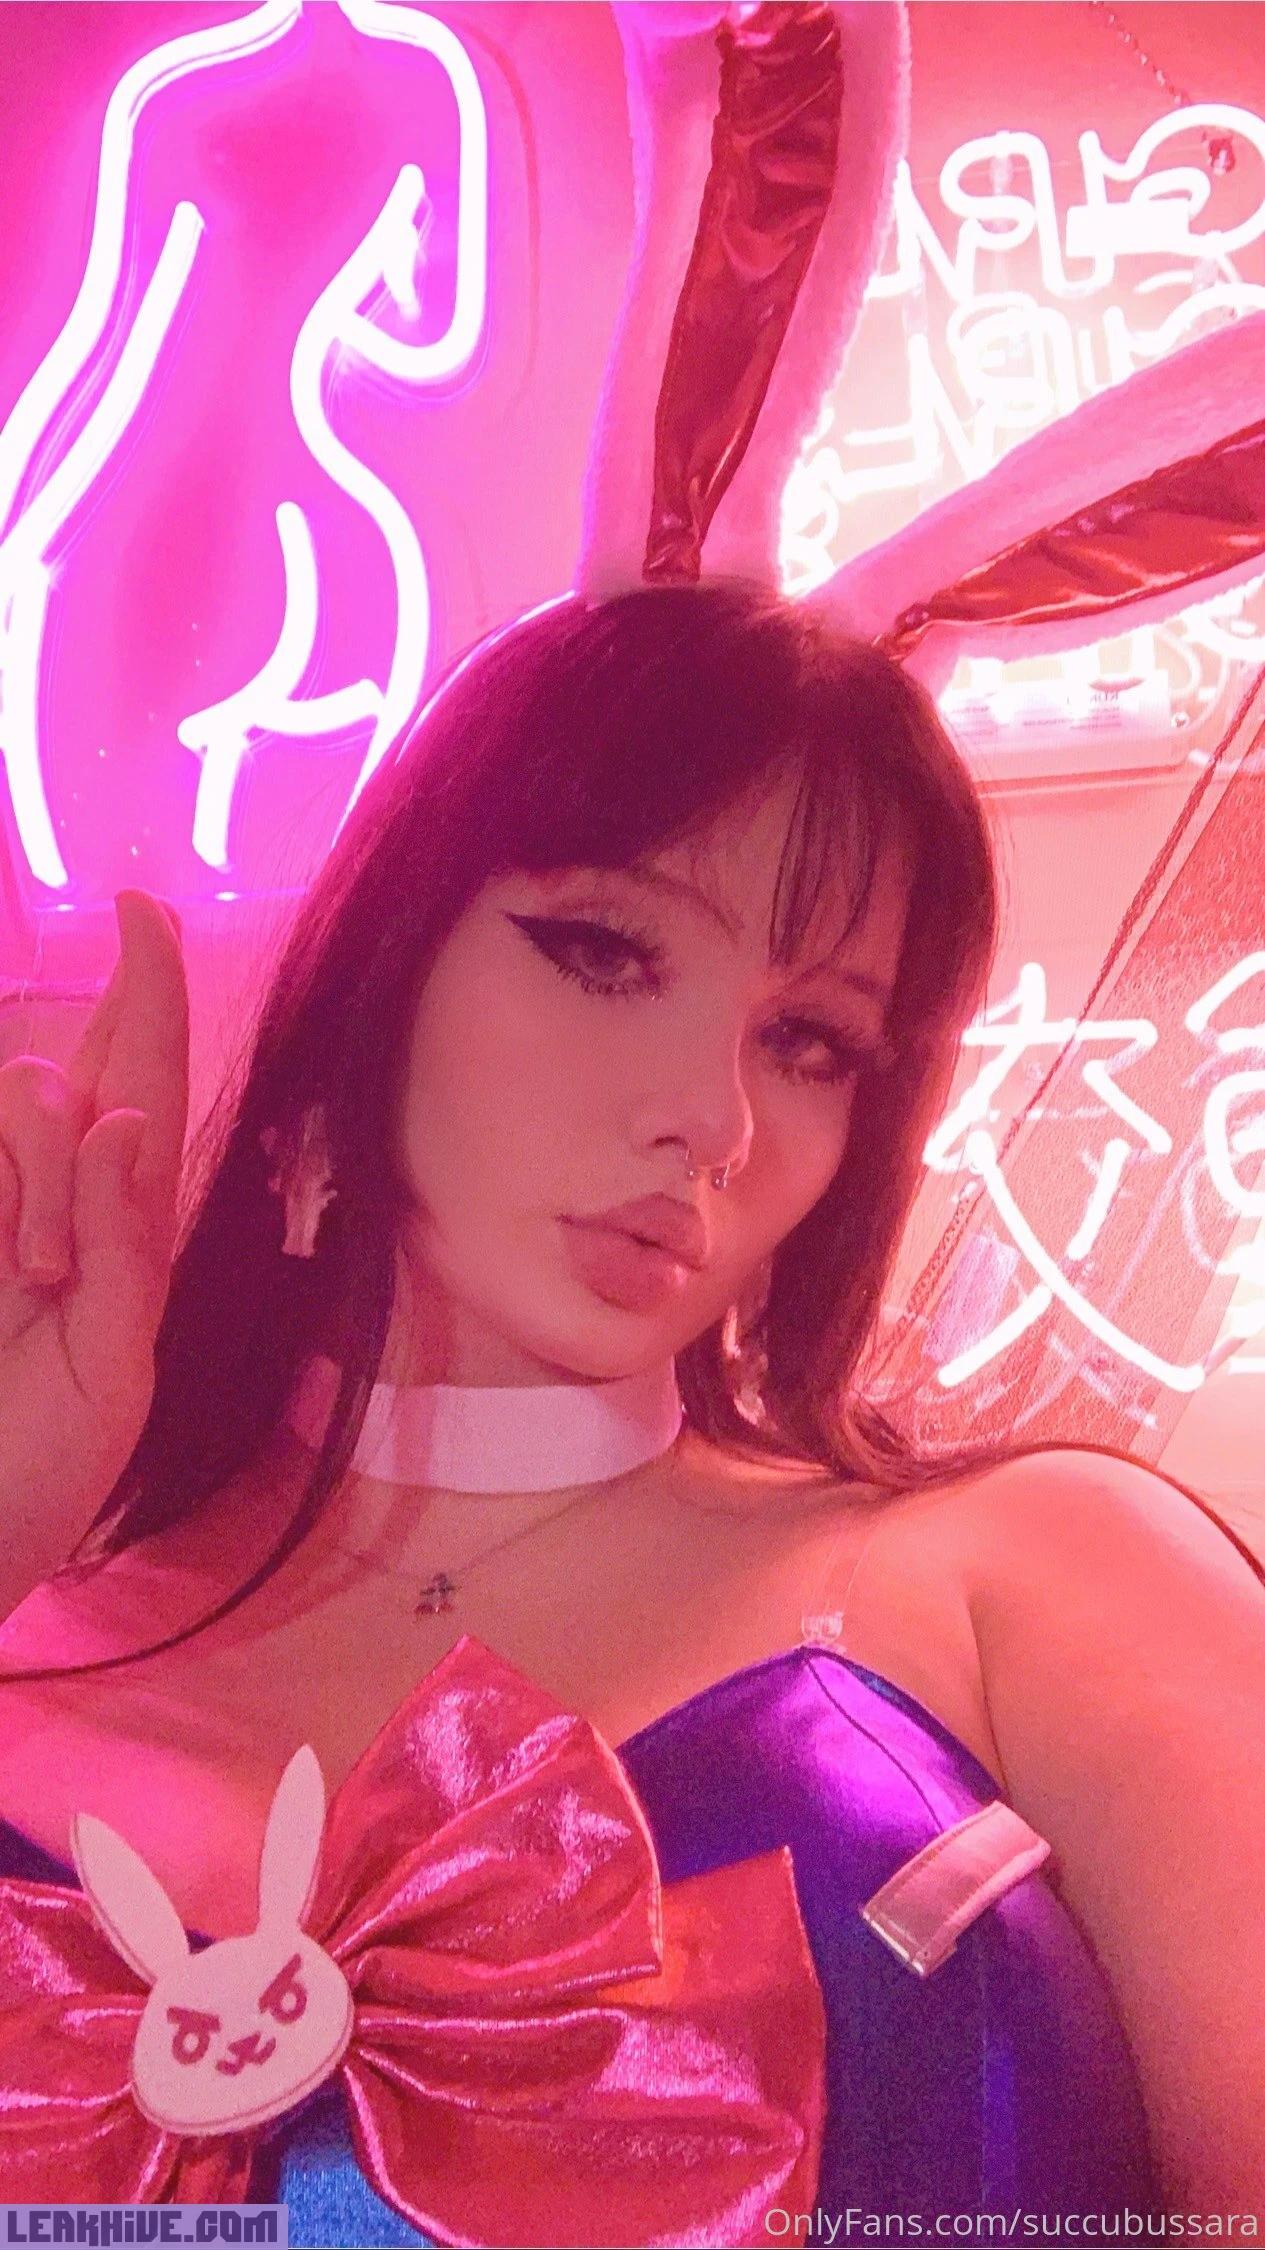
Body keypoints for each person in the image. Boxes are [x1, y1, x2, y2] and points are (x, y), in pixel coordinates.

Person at [0, 581, 1261, 2240]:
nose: (713, 1117)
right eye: (608, 952)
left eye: (810, 1040)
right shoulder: (32, 1630)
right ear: (387, 957)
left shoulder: (1038, 1581)